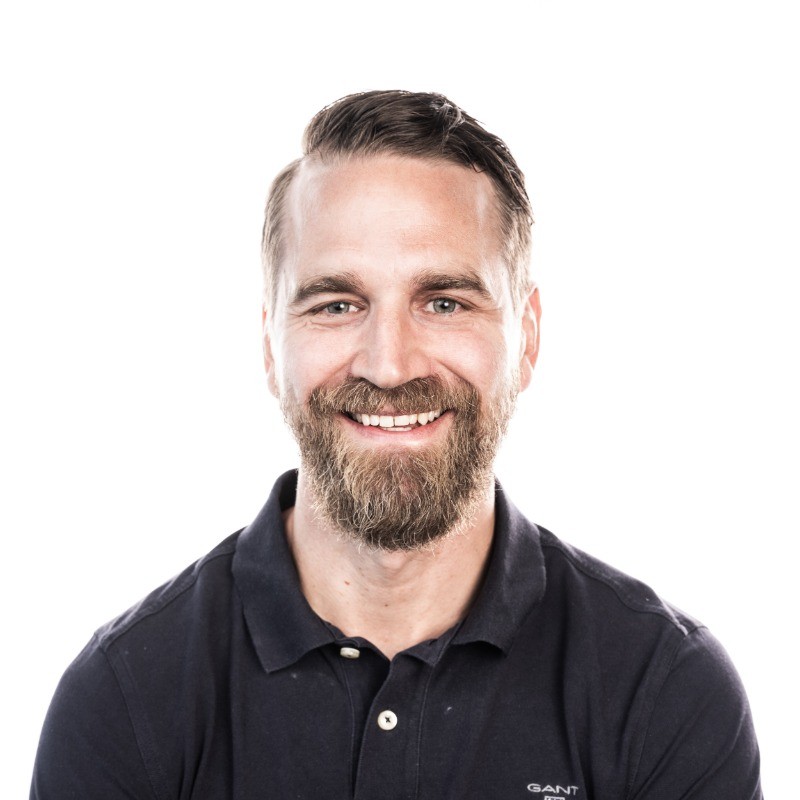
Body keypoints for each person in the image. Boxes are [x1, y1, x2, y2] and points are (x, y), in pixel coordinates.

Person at [31, 91, 762, 799]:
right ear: (268, 343)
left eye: (443, 302)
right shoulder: (126, 699)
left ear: (527, 335)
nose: (389, 364)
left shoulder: (662, 691)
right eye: (338, 304)